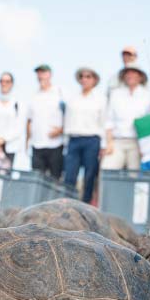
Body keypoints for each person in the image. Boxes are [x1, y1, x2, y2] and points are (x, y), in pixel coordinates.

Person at [63, 67, 106, 203]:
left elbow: (104, 122)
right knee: (70, 176)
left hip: (92, 141)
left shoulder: (101, 99)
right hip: (73, 140)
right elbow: (67, 120)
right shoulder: (72, 98)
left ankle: (85, 205)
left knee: (89, 176)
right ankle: (68, 205)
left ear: (94, 80)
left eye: (88, 76)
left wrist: (103, 145)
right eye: (82, 76)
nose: (84, 79)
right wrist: (66, 143)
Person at [103, 63, 150, 171]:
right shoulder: (115, 94)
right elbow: (109, 120)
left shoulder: (147, 95)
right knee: (107, 170)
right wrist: (109, 143)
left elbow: (149, 122)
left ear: (140, 77)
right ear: (124, 76)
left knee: (134, 176)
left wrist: (145, 146)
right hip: (117, 141)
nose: (131, 75)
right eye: (128, 73)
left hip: (137, 143)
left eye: (134, 73)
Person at [26, 64, 65, 179]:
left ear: (50, 74)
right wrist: (27, 142)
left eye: (43, 72)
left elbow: (69, 115)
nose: (41, 75)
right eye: (38, 73)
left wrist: (61, 130)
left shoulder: (60, 93)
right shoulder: (33, 96)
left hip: (55, 145)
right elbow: (29, 120)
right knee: (37, 178)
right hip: (37, 145)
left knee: (55, 179)